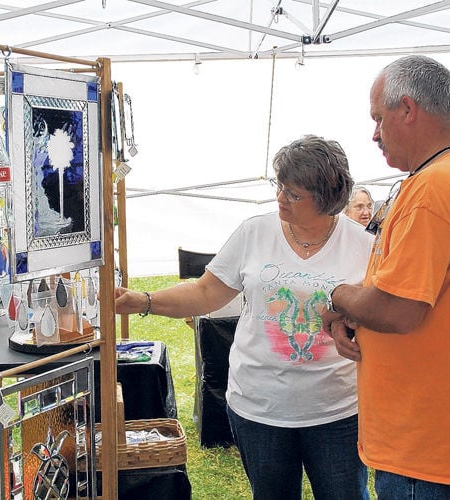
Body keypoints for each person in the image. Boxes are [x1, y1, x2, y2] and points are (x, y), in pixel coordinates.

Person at [115, 134, 373, 500]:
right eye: (279, 185)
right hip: (260, 408)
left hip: (336, 412)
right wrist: (143, 300)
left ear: (328, 198)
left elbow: (380, 315)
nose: (280, 198)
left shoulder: (364, 245)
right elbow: (205, 293)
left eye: (294, 194)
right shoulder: (255, 233)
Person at [322, 55, 450, 499]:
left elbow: (399, 310)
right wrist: (353, 311)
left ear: (407, 110)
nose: (374, 134)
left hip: (426, 444)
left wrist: (340, 295)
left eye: (378, 119)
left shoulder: (434, 189)